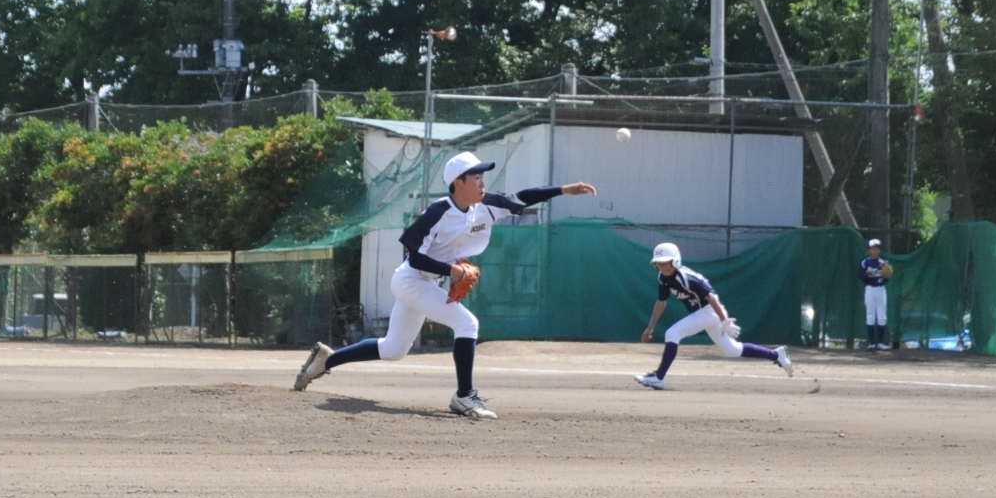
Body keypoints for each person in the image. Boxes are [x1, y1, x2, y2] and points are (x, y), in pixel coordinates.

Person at [292, 151, 597, 419]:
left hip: (424, 283)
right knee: (468, 324)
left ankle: (326, 360)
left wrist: (563, 190)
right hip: (411, 280)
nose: (482, 182)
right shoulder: (438, 211)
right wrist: (451, 270)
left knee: (393, 349)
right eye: (475, 177)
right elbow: (413, 256)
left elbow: (522, 197)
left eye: (482, 177)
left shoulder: (486, 205)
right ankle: (464, 396)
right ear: (458, 182)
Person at [634, 242, 794, 388]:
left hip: (710, 311)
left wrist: (724, 320)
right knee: (732, 349)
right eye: (659, 263)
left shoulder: (687, 278)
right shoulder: (663, 278)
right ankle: (776, 355)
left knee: (672, 333)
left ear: (675, 260)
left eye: (665, 262)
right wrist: (650, 327)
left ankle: (659, 377)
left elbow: (712, 298)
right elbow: (661, 302)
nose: (662, 266)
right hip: (704, 314)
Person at [859, 238, 892, 349]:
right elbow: (861, 277)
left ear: (879, 250)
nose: (874, 251)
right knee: (870, 315)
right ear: (869, 250)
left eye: (876, 248)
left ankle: (881, 343)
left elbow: (887, 278)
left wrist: (886, 273)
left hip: (880, 289)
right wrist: (866, 274)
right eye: (872, 248)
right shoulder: (865, 262)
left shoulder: (883, 263)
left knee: (882, 316)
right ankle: (871, 343)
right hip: (870, 290)